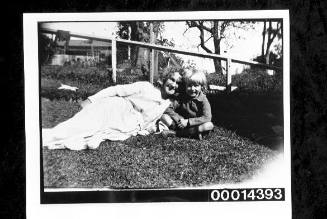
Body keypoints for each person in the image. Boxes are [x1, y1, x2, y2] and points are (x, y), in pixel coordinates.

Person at [42, 71, 182, 150]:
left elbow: (150, 121)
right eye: (172, 79)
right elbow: (116, 90)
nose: (174, 85)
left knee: (91, 138)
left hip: (127, 124)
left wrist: (146, 130)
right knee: (81, 127)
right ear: (164, 79)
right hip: (114, 109)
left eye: (178, 84)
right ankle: (45, 137)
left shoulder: (166, 104)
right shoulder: (146, 87)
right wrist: (91, 99)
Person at [161, 70, 214, 140]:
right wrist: (179, 119)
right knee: (164, 117)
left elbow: (207, 117)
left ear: (201, 86)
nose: (192, 89)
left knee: (209, 125)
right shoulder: (182, 97)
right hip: (181, 124)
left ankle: (176, 133)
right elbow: (168, 108)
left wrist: (188, 122)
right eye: (189, 86)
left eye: (196, 86)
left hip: (196, 125)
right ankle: (192, 135)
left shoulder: (203, 100)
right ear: (185, 86)